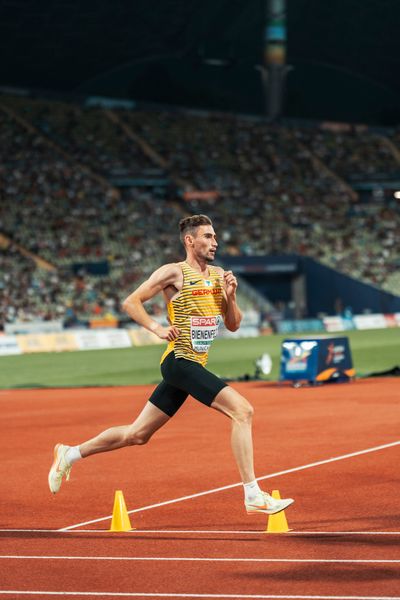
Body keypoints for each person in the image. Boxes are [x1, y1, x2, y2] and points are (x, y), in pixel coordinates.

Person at [48, 214, 294, 515]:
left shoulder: (218, 276)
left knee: (137, 435)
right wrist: (156, 327)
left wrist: (231, 296)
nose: (215, 242)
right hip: (179, 361)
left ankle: (69, 454)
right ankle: (252, 494)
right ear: (190, 241)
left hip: (192, 364)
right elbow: (131, 302)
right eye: (208, 236)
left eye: (215, 237)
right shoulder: (174, 273)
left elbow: (233, 325)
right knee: (242, 410)